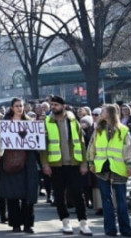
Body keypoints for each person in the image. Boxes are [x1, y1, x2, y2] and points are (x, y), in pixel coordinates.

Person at [41, 95, 92, 236]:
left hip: (74, 163)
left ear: (63, 106)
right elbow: (43, 146)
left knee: (78, 194)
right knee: (59, 195)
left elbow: (81, 143)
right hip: (56, 164)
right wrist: (45, 163)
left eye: (56, 105)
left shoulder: (73, 120)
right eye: (52, 105)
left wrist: (83, 163)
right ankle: (65, 222)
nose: (53, 107)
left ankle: (83, 223)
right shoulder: (47, 121)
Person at [88, 105, 131, 237]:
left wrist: (130, 165)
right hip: (102, 168)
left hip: (119, 168)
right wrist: (91, 162)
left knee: (121, 201)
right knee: (106, 200)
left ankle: (125, 229)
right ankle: (110, 229)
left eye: (102, 111)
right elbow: (92, 147)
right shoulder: (98, 130)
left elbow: (130, 150)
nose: (100, 113)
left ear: (109, 113)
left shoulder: (123, 130)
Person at [0, 98, 41, 234]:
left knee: (28, 194)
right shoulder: (5, 124)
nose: (19, 108)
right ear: (11, 108)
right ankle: (15, 223)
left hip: (28, 161)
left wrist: (40, 135)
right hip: (11, 161)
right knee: (13, 194)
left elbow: (36, 142)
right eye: (16, 106)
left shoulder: (30, 123)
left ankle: (28, 224)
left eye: (21, 106)